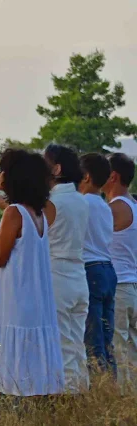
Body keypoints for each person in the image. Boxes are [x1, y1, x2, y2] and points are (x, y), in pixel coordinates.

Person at [0, 148, 65, 398]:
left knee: (13, 372)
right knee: (31, 369)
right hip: (34, 300)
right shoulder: (37, 213)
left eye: (3, 170)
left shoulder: (14, 213)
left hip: (15, 301)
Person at [43, 144, 90, 393]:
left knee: (61, 345)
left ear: (57, 169)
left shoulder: (51, 202)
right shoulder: (82, 201)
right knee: (76, 344)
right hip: (78, 276)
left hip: (57, 276)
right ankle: (82, 394)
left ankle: (68, 402)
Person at [79, 153, 118, 376]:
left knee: (92, 339)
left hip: (89, 269)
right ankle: (110, 384)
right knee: (106, 337)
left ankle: (97, 386)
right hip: (107, 269)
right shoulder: (105, 205)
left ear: (85, 176)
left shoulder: (82, 204)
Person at [103, 153, 137, 392]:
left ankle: (124, 407)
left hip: (119, 288)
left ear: (112, 176)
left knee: (119, 350)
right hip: (133, 285)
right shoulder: (134, 205)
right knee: (132, 352)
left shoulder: (114, 208)